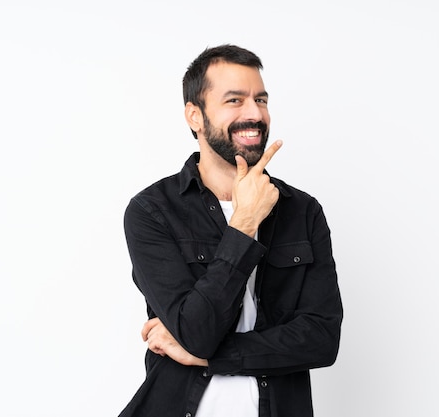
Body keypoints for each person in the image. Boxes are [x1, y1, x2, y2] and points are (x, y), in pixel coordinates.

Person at [118, 44, 343, 417]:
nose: (254, 114)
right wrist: (244, 223)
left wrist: (203, 357)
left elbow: (322, 341)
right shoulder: (152, 212)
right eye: (235, 100)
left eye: (261, 99)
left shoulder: (302, 211)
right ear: (195, 115)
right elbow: (199, 331)